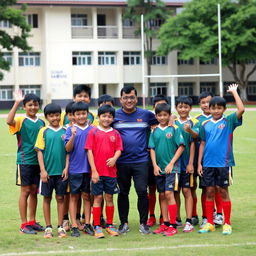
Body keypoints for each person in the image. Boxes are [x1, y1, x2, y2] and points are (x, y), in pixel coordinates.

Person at [198, 84, 244, 235]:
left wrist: (234, 93)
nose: (216, 110)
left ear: (224, 109)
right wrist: (199, 163)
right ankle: (210, 223)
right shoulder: (205, 124)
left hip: (223, 164)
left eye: (219, 108)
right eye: (213, 108)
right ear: (209, 109)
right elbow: (202, 143)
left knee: (223, 191)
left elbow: (241, 110)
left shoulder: (229, 121)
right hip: (208, 164)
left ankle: (227, 223)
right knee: (209, 191)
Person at [112, 85, 158, 235]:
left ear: (136, 98)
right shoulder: (114, 115)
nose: (129, 100)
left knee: (142, 192)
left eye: (132, 97)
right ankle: (123, 223)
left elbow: (159, 125)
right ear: (121, 99)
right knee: (123, 192)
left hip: (141, 161)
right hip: (121, 161)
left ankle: (143, 224)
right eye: (125, 98)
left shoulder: (146, 115)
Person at [7, 90, 45, 234]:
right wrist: (16, 102)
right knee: (25, 191)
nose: (33, 107)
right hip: (24, 161)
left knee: (35, 191)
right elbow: (9, 121)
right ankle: (23, 225)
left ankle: (32, 221)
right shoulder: (21, 120)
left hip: (38, 162)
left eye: (35, 104)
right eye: (30, 105)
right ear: (24, 106)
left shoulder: (41, 122)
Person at [86, 104, 123, 238]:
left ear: (113, 118)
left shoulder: (115, 133)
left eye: (109, 116)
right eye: (104, 116)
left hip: (111, 173)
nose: (107, 119)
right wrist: (94, 171)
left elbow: (119, 149)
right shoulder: (93, 132)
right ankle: (97, 227)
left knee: (109, 198)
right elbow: (89, 151)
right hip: (97, 173)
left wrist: (114, 158)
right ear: (98, 117)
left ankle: (109, 225)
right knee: (98, 198)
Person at [149, 103, 185, 237]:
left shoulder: (174, 129)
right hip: (159, 169)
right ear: (156, 116)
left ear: (169, 115)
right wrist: (154, 165)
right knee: (162, 195)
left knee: (169, 194)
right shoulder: (154, 131)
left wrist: (171, 164)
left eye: (165, 115)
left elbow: (181, 147)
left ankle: (173, 225)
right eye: (159, 115)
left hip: (173, 169)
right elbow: (151, 148)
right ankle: (164, 223)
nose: (162, 117)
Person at [35, 103, 68, 238]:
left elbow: (68, 152)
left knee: (61, 198)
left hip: (61, 173)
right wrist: (43, 170)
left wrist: (66, 168)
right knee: (47, 198)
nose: (55, 118)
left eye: (57, 115)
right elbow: (39, 152)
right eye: (51, 116)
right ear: (46, 117)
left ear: (60, 115)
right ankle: (48, 227)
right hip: (47, 173)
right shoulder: (43, 131)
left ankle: (60, 226)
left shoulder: (66, 131)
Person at [65, 102, 94, 237]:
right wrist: (73, 136)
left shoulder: (93, 129)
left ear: (87, 114)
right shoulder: (70, 129)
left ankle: (87, 223)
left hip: (89, 169)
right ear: (73, 116)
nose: (81, 116)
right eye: (78, 114)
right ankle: (75, 226)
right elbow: (67, 149)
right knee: (74, 197)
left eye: (83, 113)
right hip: (75, 169)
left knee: (87, 196)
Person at [174, 96, 198, 233]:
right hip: (174, 165)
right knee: (175, 191)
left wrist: (190, 163)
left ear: (190, 108)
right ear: (176, 108)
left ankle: (189, 220)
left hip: (186, 165)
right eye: (180, 107)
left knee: (187, 190)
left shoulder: (193, 123)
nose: (183, 109)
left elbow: (193, 142)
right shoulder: (172, 123)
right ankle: (177, 219)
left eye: (186, 107)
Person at [192, 92, 215, 228]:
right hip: (197, 159)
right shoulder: (196, 120)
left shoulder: (220, 119)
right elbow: (196, 138)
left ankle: (212, 216)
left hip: (214, 160)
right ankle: (199, 216)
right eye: (203, 102)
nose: (206, 105)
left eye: (208, 102)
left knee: (213, 188)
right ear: (199, 104)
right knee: (197, 187)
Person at [147, 94, 169, 227]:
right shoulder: (149, 123)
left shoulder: (171, 126)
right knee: (152, 189)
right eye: (158, 106)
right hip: (151, 161)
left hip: (166, 162)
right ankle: (151, 215)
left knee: (165, 191)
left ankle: (163, 216)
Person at [62, 101, 74, 231]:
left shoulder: (83, 127)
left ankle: (76, 218)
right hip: (65, 167)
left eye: (74, 114)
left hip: (79, 167)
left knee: (78, 194)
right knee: (66, 194)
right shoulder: (64, 129)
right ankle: (65, 219)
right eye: (69, 114)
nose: (72, 117)